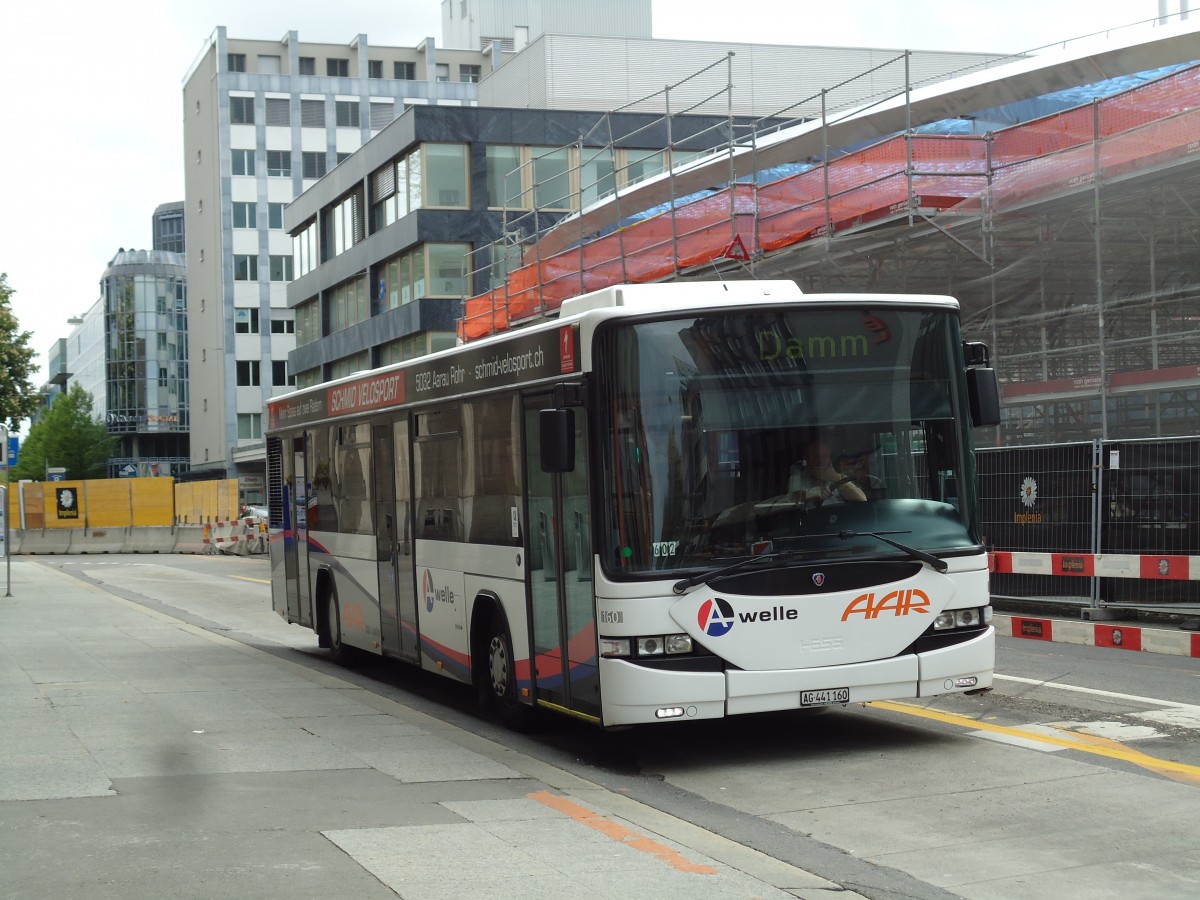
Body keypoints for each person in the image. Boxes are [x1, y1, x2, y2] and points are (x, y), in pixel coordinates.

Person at [787, 440, 867, 504]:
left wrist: (834, 477)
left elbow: (862, 499)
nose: (821, 461)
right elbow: (793, 500)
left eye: (825, 456)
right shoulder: (798, 479)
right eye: (817, 457)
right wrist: (815, 493)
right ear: (806, 458)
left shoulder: (838, 477)